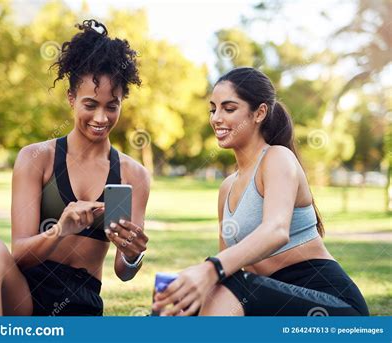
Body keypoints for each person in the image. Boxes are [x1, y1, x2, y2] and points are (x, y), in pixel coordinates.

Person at [0, 20, 150, 316]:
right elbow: (19, 254)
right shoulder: (37, 158)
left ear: (122, 102)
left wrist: (132, 254)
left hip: (80, 304)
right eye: (90, 104)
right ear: (71, 99)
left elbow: (123, 272)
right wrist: (59, 231)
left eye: (112, 106)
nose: (101, 117)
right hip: (24, 297)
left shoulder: (134, 174)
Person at [152, 67, 369, 316]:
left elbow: (276, 230)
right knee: (179, 296)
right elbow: (230, 267)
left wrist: (211, 270)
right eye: (213, 109)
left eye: (229, 108)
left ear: (260, 113)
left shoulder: (277, 158)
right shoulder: (226, 188)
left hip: (333, 307)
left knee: (228, 283)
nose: (216, 118)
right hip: (269, 303)